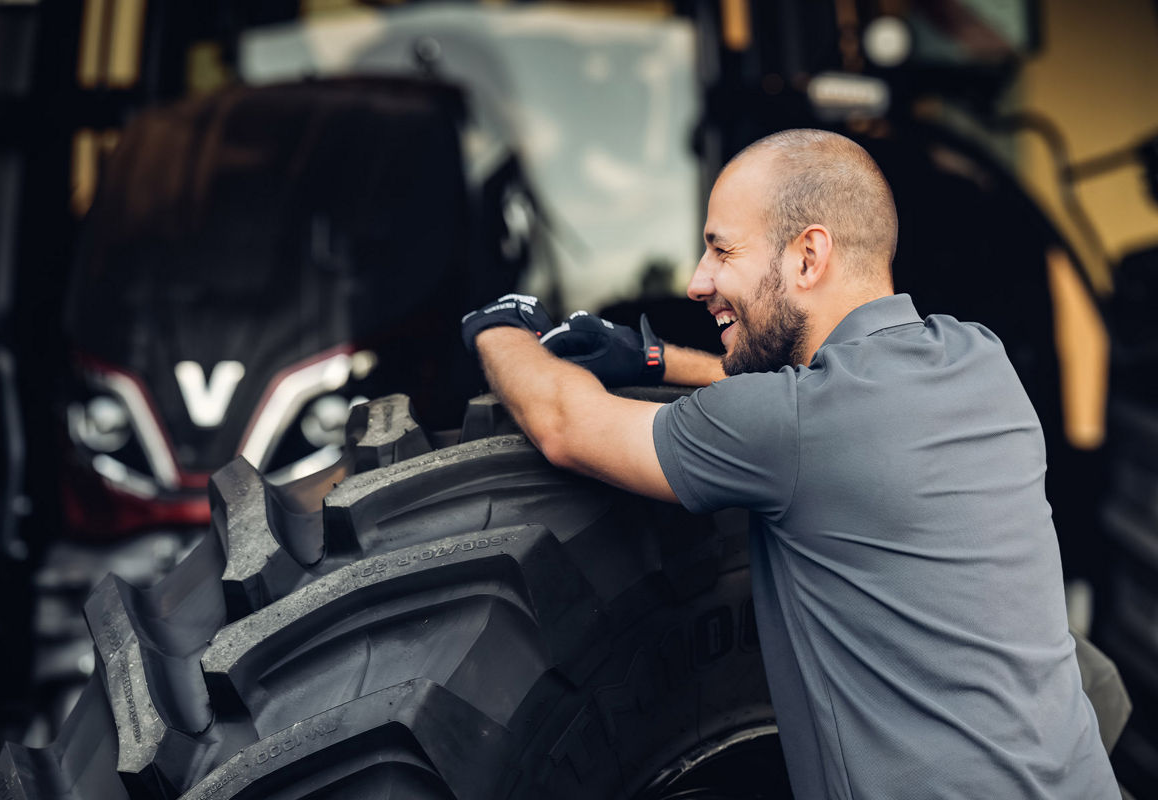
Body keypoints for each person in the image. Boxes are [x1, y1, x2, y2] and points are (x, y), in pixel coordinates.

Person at [459, 129, 1120, 798]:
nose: (697, 281)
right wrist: (657, 361)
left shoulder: (792, 429)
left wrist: (498, 325)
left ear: (808, 255)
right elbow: (817, 411)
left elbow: (565, 424)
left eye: (722, 250)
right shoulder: (978, 359)